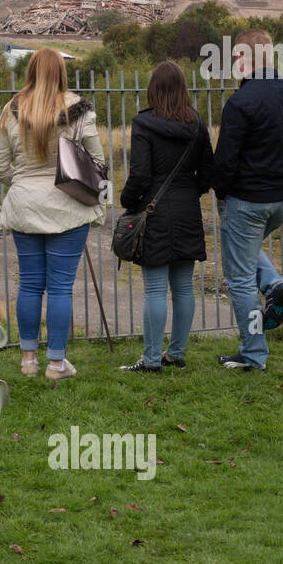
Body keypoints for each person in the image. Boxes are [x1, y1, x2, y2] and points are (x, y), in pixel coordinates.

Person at [0, 48, 106, 380]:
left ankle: (27, 361)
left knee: (29, 284)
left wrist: (23, 182)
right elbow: (98, 163)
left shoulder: (12, 109)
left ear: (31, 71)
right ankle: (56, 363)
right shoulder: (79, 110)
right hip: (66, 207)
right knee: (59, 287)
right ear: (61, 73)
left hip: (23, 206)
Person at [213, 28, 283, 371]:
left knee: (238, 279)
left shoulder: (241, 101)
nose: (234, 63)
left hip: (247, 200)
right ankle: (274, 284)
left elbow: (225, 159)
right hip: (282, 200)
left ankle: (253, 354)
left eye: (237, 56)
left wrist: (221, 192)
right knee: (246, 251)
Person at [117, 62, 214, 373]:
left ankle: (150, 359)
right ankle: (176, 353)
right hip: (187, 208)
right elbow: (208, 171)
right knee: (184, 287)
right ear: (183, 87)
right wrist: (191, 190)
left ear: (153, 88)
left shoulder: (144, 124)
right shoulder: (197, 123)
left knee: (156, 289)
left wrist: (128, 201)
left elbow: (141, 175)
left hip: (154, 210)